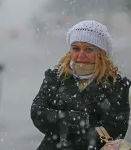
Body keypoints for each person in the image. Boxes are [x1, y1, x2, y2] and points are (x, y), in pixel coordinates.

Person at [30, 20, 131, 150]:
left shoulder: (117, 84)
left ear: (101, 53)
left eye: (89, 49)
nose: (81, 54)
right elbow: (38, 113)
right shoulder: (56, 77)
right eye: (76, 48)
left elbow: (116, 127)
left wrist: (63, 125)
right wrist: (80, 120)